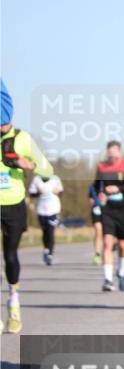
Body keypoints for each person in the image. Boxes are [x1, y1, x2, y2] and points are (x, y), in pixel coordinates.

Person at [0, 79, 54, 333]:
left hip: (14, 205)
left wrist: (26, 164)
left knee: (10, 256)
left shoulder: (22, 139)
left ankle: (13, 304)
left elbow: (47, 170)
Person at [94, 140, 124, 292]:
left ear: (119, 152)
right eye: (110, 152)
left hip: (123, 210)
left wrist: (118, 188)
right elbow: (95, 186)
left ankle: (121, 273)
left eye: (115, 152)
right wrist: (99, 195)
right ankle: (107, 279)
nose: (112, 154)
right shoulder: (101, 167)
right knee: (107, 243)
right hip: (108, 210)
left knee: (122, 244)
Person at [28, 171, 64, 265]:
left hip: (53, 209)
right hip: (41, 210)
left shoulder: (55, 178)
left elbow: (61, 192)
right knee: (45, 232)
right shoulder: (36, 179)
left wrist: (58, 192)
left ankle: (50, 254)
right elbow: (31, 194)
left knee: (51, 230)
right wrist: (38, 193)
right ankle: (46, 249)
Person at [88, 182, 103, 264]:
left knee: (108, 234)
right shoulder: (93, 185)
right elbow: (90, 197)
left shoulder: (109, 183)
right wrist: (91, 201)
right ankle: (98, 254)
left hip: (108, 210)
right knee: (98, 231)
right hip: (96, 210)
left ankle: (111, 248)